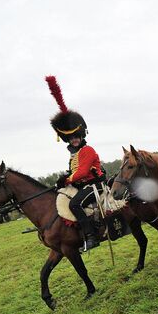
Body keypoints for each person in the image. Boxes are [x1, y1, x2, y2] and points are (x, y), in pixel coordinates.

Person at [46, 76, 104, 252]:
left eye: (76, 136)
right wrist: (65, 179)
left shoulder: (87, 150)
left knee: (74, 205)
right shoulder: (73, 154)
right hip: (82, 186)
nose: (75, 139)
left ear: (81, 136)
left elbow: (83, 171)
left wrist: (68, 179)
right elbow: (74, 172)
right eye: (71, 137)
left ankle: (91, 237)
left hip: (95, 185)